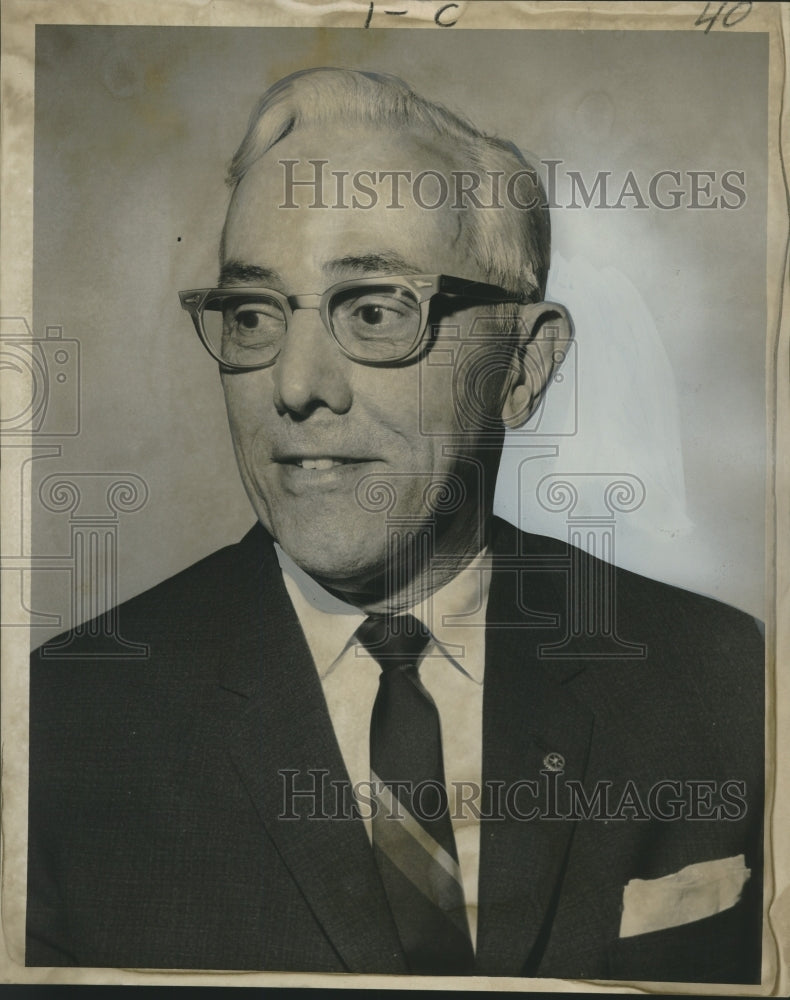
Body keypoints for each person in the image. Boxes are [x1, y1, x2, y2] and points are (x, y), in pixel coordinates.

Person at [26, 68, 764, 983]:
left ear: (525, 369)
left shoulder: (723, 681)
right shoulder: (61, 724)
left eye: (374, 310)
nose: (296, 387)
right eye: (254, 314)